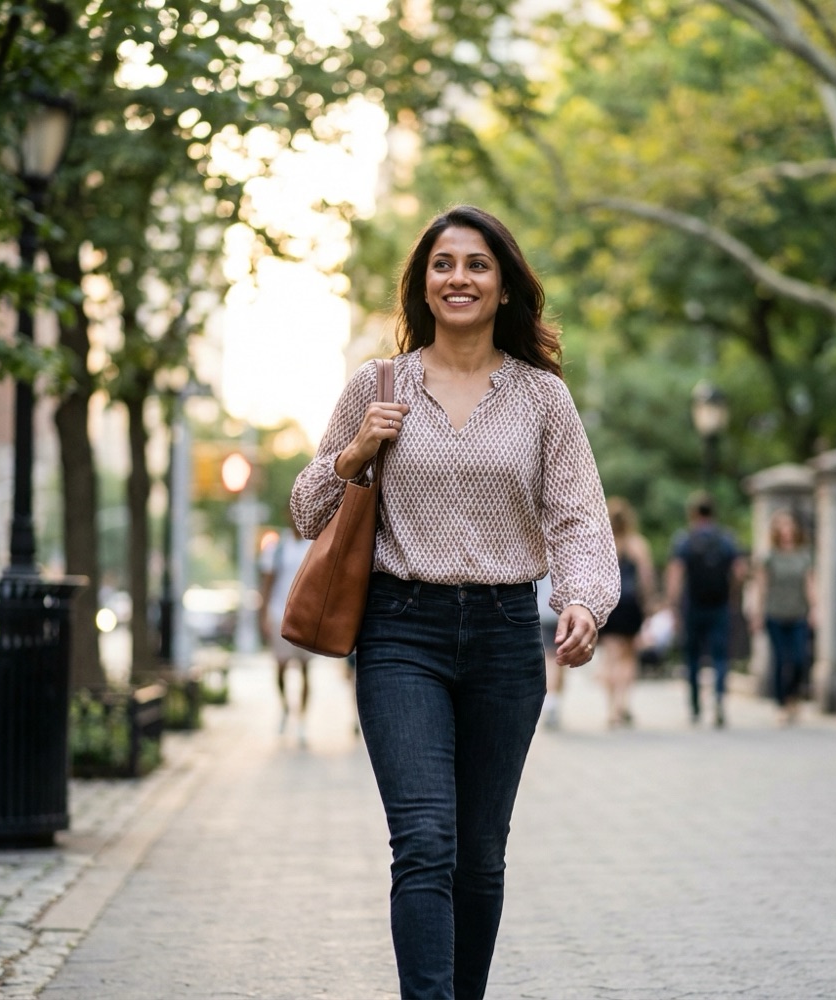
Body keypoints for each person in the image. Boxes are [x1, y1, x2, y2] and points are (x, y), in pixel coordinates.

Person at [291, 205, 620, 1000]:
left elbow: (578, 516)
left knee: (479, 854)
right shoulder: (377, 387)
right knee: (426, 841)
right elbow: (305, 510)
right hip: (403, 633)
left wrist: (582, 600)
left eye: (476, 264)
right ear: (422, 284)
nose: (459, 278)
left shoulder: (543, 400)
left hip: (508, 637)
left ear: (503, 285)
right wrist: (355, 451)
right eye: (443, 264)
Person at [665, 491, 746, 728]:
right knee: (720, 656)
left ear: (693, 513)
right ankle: (719, 699)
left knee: (692, 657)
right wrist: (732, 592)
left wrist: (673, 605)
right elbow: (740, 571)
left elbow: (675, 574)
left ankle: (695, 706)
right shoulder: (726, 538)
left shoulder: (685, 539)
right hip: (719, 605)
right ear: (713, 513)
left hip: (693, 607)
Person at [752, 509, 815, 724]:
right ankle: (781, 704)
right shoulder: (769, 557)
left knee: (799, 658)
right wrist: (758, 614)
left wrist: (815, 609)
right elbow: (761, 587)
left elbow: (809, 584)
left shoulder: (804, 555)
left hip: (798, 613)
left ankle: (793, 697)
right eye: (781, 527)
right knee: (780, 659)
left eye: (789, 526)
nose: (786, 531)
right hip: (775, 613)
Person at [598, 497, 656, 727]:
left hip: (610, 604)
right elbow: (646, 579)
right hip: (631, 606)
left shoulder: (602, 543)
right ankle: (623, 704)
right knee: (628, 657)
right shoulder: (638, 545)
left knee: (611, 657)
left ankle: (612, 708)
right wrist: (648, 603)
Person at [257, 514, 312, 745]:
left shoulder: (313, 544)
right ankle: (285, 707)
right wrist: (262, 615)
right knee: (280, 668)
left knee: (305, 670)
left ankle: (302, 720)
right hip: (280, 615)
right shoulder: (277, 548)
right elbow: (267, 583)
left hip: (306, 617)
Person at [536, 573, 564, 729]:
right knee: (559, 660)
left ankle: (552, 700)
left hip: (544, 610)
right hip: (563, 611)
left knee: (551, 658)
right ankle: (553, 700)